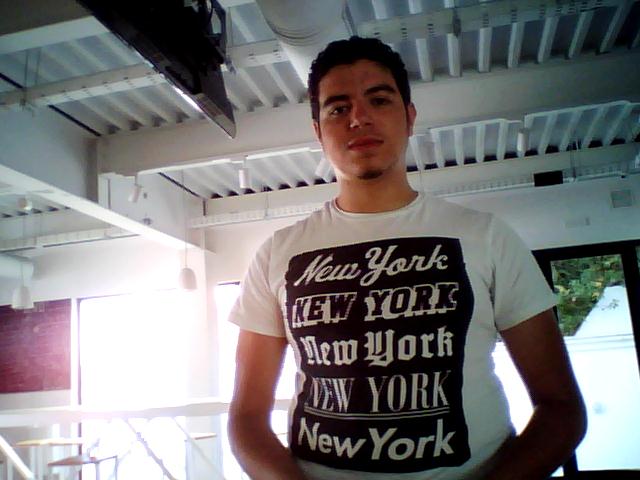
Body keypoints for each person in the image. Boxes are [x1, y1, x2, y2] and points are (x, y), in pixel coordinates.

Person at [228, 36, 586, 480]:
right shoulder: (276, 254)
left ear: (409, 117)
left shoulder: (486, 236)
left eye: (379, 100)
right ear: (318, 131)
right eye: (338, 109)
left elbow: (561, 408)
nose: (358, 117)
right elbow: (246, 419)